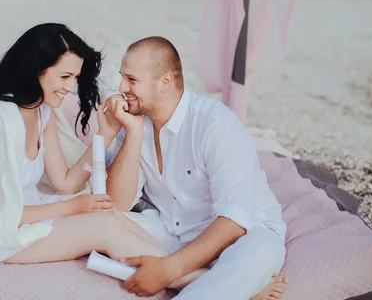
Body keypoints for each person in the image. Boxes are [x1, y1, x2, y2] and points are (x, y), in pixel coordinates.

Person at [0, 23, 208, 291]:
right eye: (64, 77)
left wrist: (106, 133)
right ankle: (204, 285)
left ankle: (191, 275)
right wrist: (73, 208)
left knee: (112, 216)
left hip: (25, 215)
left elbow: (67, 183)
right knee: (103, 226)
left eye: (75, 78)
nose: (71, 88)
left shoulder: (42, 113)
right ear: (37, 71)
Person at [105, 36, 289, 299]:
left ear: (165, 82)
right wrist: (132, 134)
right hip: (174, 231)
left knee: (258, 251)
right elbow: (118, 202)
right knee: (101, 221)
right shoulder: (135, 120)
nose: (122, 87)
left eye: (132, 80)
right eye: (123, 77)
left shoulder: (216, 125)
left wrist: (167, 270)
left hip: (242, 235)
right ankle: (243, 289)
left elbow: (235, 220)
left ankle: (225, 281)